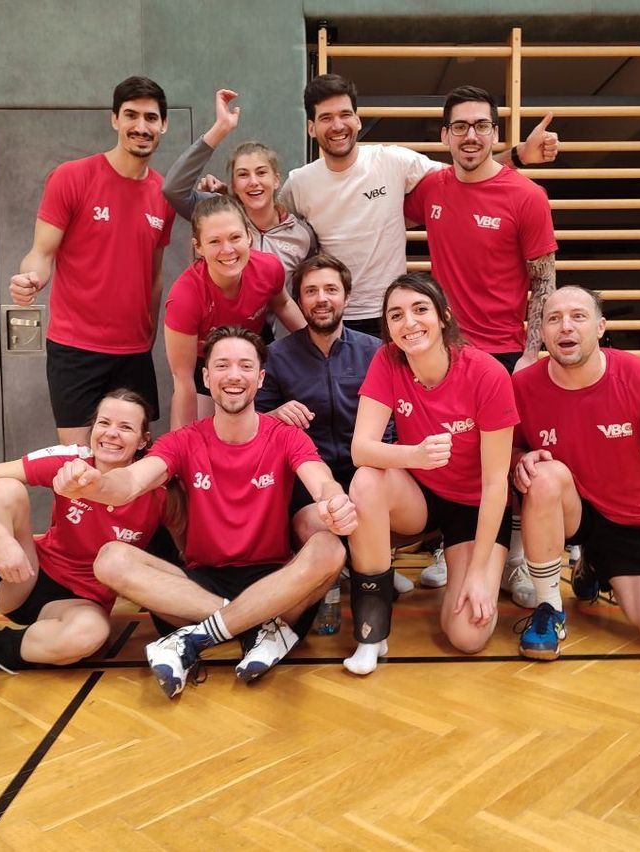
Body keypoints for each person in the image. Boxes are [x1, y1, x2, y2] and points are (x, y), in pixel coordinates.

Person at [53, 326, 357, 698]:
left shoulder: (285, 435)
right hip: (198, 587)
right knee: (110, 559)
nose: (233, 375)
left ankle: (198, 638)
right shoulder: (183, 440)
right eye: (223, 365)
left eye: (245, 366)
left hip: (277, 581)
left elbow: (321, 481)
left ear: (260, 378)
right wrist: (93, 485)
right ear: (206, 376)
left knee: (331, 547)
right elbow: (130, 482)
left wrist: (334, 500)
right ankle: (256, 628)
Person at [0, 390, 170, 699]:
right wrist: (1, 540)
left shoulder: (156, 486)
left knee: (88, 637)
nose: (111, 433)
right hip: (25, 578)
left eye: (125, 427)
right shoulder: (70, 461)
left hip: (80, 603)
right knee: (5, 490)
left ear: (143, 441)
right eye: (104, 422)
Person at [403, 85, 558, 599]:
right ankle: (459, 546)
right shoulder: (431, 188)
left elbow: (544, 280)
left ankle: (516, 559)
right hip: (446, 352)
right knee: (457, 457)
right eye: (461, 127)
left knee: (509, 460)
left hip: (507, 352)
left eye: (482, 126)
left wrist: (532, 354)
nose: (472, 136)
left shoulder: (526, 196)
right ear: (445, 135)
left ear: (495, 132)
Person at [278, 74, 558, 336]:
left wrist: (519, 155)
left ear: (358, 120)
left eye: (345, 115)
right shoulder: (299, 184)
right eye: (326, 118)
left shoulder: (394, 162)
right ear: (311, 127)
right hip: (332, 318)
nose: (338, 125)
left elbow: (465, 174)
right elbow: (264, 223)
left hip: (395, 315)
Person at [344, 273, 520, 676]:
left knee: (468, 636)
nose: (409, 323)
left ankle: (500, 560)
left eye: (420, 310)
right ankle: (373, 630)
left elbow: (496, 484)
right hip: (420, 497)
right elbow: (361, 449)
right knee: (366, 480)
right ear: (387, 329)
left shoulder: (487, 373)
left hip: (473, 506)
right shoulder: (387, 360)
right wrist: (415, 456)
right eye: (396, 315)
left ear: (443, 316)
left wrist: (478, 573)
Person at [511, 286, 640, 660]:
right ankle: (549, 607)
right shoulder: (523, 386)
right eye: (553, 318)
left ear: (600, 327)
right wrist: (520, 460)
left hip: (627, 517)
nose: (565, 327)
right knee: (545, 476)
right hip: (567, 510)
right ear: (542, 332)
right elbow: (508, 451)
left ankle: (593, 565)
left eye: (578, 316)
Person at [8, 77, 176, 446]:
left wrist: (146, 336)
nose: (141, 126)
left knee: (130, 466)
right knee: (79, 463)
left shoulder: (163, 195)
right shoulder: (72, 177)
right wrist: (30, 279)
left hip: (133, 352)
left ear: (163, 124)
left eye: (151, 117)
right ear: (115, 119)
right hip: (75, 349)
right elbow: (41, 252)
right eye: (131, 115)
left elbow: (154, 274)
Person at [255, 253, 412, 594]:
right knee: (316, 522)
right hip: (310, 481)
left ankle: (368, 567)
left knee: (375, 494)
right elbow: (254, 428)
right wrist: (274, 415)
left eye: (330, 289)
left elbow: (402, 417)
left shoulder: (377, 352)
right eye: (311, 291)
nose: (322, 299)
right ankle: (346, 570)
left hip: (370, 472)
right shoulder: (276, 356)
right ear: (299, 301)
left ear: (347, 296)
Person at [163, 195, 305, 428]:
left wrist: (318, 345)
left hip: (255, 349)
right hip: (205, 362)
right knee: (203, 431)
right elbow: (183, 379)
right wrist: (181, 447)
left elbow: (284, 304)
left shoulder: (269, 268)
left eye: (235, 237)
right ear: (198, 247)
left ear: (249, 236)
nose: (227, 250)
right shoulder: (185, 298)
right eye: (214, 241)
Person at [162, 89, 317, 300]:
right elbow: (173, 189)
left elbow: (304, 292)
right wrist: (220, 129)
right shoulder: (218, 214)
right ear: (233, 183)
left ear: (276, 179)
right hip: (216, 328)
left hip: (268, 332)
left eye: (261, 172)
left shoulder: (301, 235)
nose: (253, 182)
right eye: (243, 175)